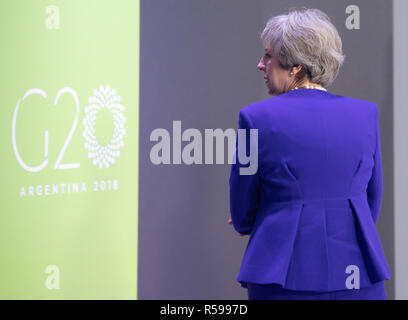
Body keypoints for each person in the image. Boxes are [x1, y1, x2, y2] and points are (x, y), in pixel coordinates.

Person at [228, 7, 391, 300]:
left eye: (268, 56)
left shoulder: (254, 119)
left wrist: (256, 219)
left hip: (282, 278)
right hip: (359, 276)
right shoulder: (366, 114)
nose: (260, 65)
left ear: (296, 67)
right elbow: (371, 202)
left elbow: (241, 213)